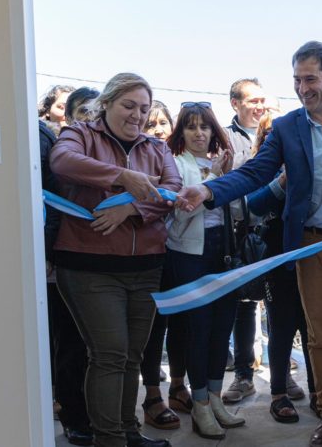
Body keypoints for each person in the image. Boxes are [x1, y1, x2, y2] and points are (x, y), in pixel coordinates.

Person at [176, 40, 322, 447]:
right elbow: (254, 174)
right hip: (310, 246)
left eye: (311, 79)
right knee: (320, 338)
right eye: (297, 80)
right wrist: (210, 192)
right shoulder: (286, 128)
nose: (303, 88)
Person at [50, 72, 181, 447]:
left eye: (143, 108)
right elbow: (63, 162)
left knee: (131, 356)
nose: (137, 115)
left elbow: (170, 189)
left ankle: (128, 431)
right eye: (128, 106)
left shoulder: (156, 147)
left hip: (146, 267)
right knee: (108, 355)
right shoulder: (80, 133)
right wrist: (123, 177)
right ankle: (109, 439)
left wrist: (131, 209)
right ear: (105, 103)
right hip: (89, 265)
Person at [162, 101, 245, 440]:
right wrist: (213, 180)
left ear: (214, 131)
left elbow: (239, 212)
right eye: (191, 126)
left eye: (205, 126)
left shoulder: (219, 165)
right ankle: (199, 405)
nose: (199, 133)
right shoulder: (176, 165)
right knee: (198, 330)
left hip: (222, 253)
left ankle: (214, 398)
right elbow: (178, 217)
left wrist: (225, 179)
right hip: (189, 256)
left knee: (221, 329)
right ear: (181, 132)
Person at [247, 113, 318, 423]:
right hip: (279, 260)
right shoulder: (263, 169)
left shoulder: (316, 163)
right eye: (270, 136)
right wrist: (284, 179)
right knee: (281, 328)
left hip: (317, 257)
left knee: (315, 329)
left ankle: (320, 392)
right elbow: (255, 205)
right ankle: (279, 394)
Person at [41, 113, 93, 446]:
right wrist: (49, 252)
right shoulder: (55, 149)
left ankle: (102, 418)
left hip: (101, 261)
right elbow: (49, 199)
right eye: (83, 114)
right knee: (71, 343)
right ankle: (75, 417)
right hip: (63, 260)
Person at [138, 99, 185, 431]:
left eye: (163, 123)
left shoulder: (186, 161)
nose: (157, 130)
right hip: (150, 254)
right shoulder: (139, 161)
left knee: (181, 324)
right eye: (150, 124)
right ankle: (152, 395)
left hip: (184, 256)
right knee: (153, 329)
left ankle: (179, 386)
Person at [221, 77, 269, 404]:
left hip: (274, 230)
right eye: (252, 100)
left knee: (278, 305)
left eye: (262, 99)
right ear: (235, 104)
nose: (259, 106)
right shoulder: (224, 138)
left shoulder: (277, 131)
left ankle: (281, 378)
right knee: (243, 307)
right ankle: (243, 376)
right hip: (240, 232)